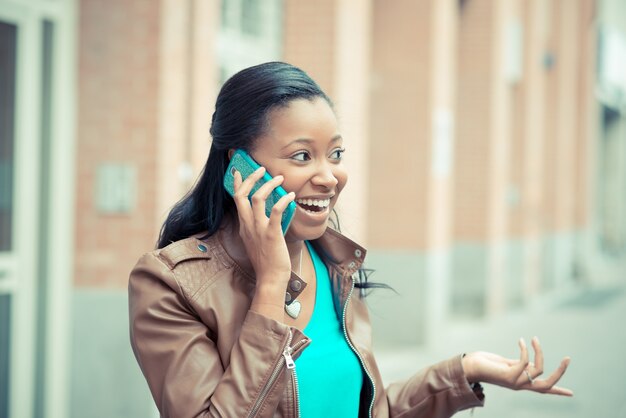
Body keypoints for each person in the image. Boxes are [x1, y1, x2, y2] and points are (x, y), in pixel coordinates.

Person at [128, 61, 572, 418]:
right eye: (302, 156)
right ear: (238, 166)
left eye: (335, 154)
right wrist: (269, 287)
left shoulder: (332, 262)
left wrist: (464, 370)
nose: (328, 177)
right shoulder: (170, 284)